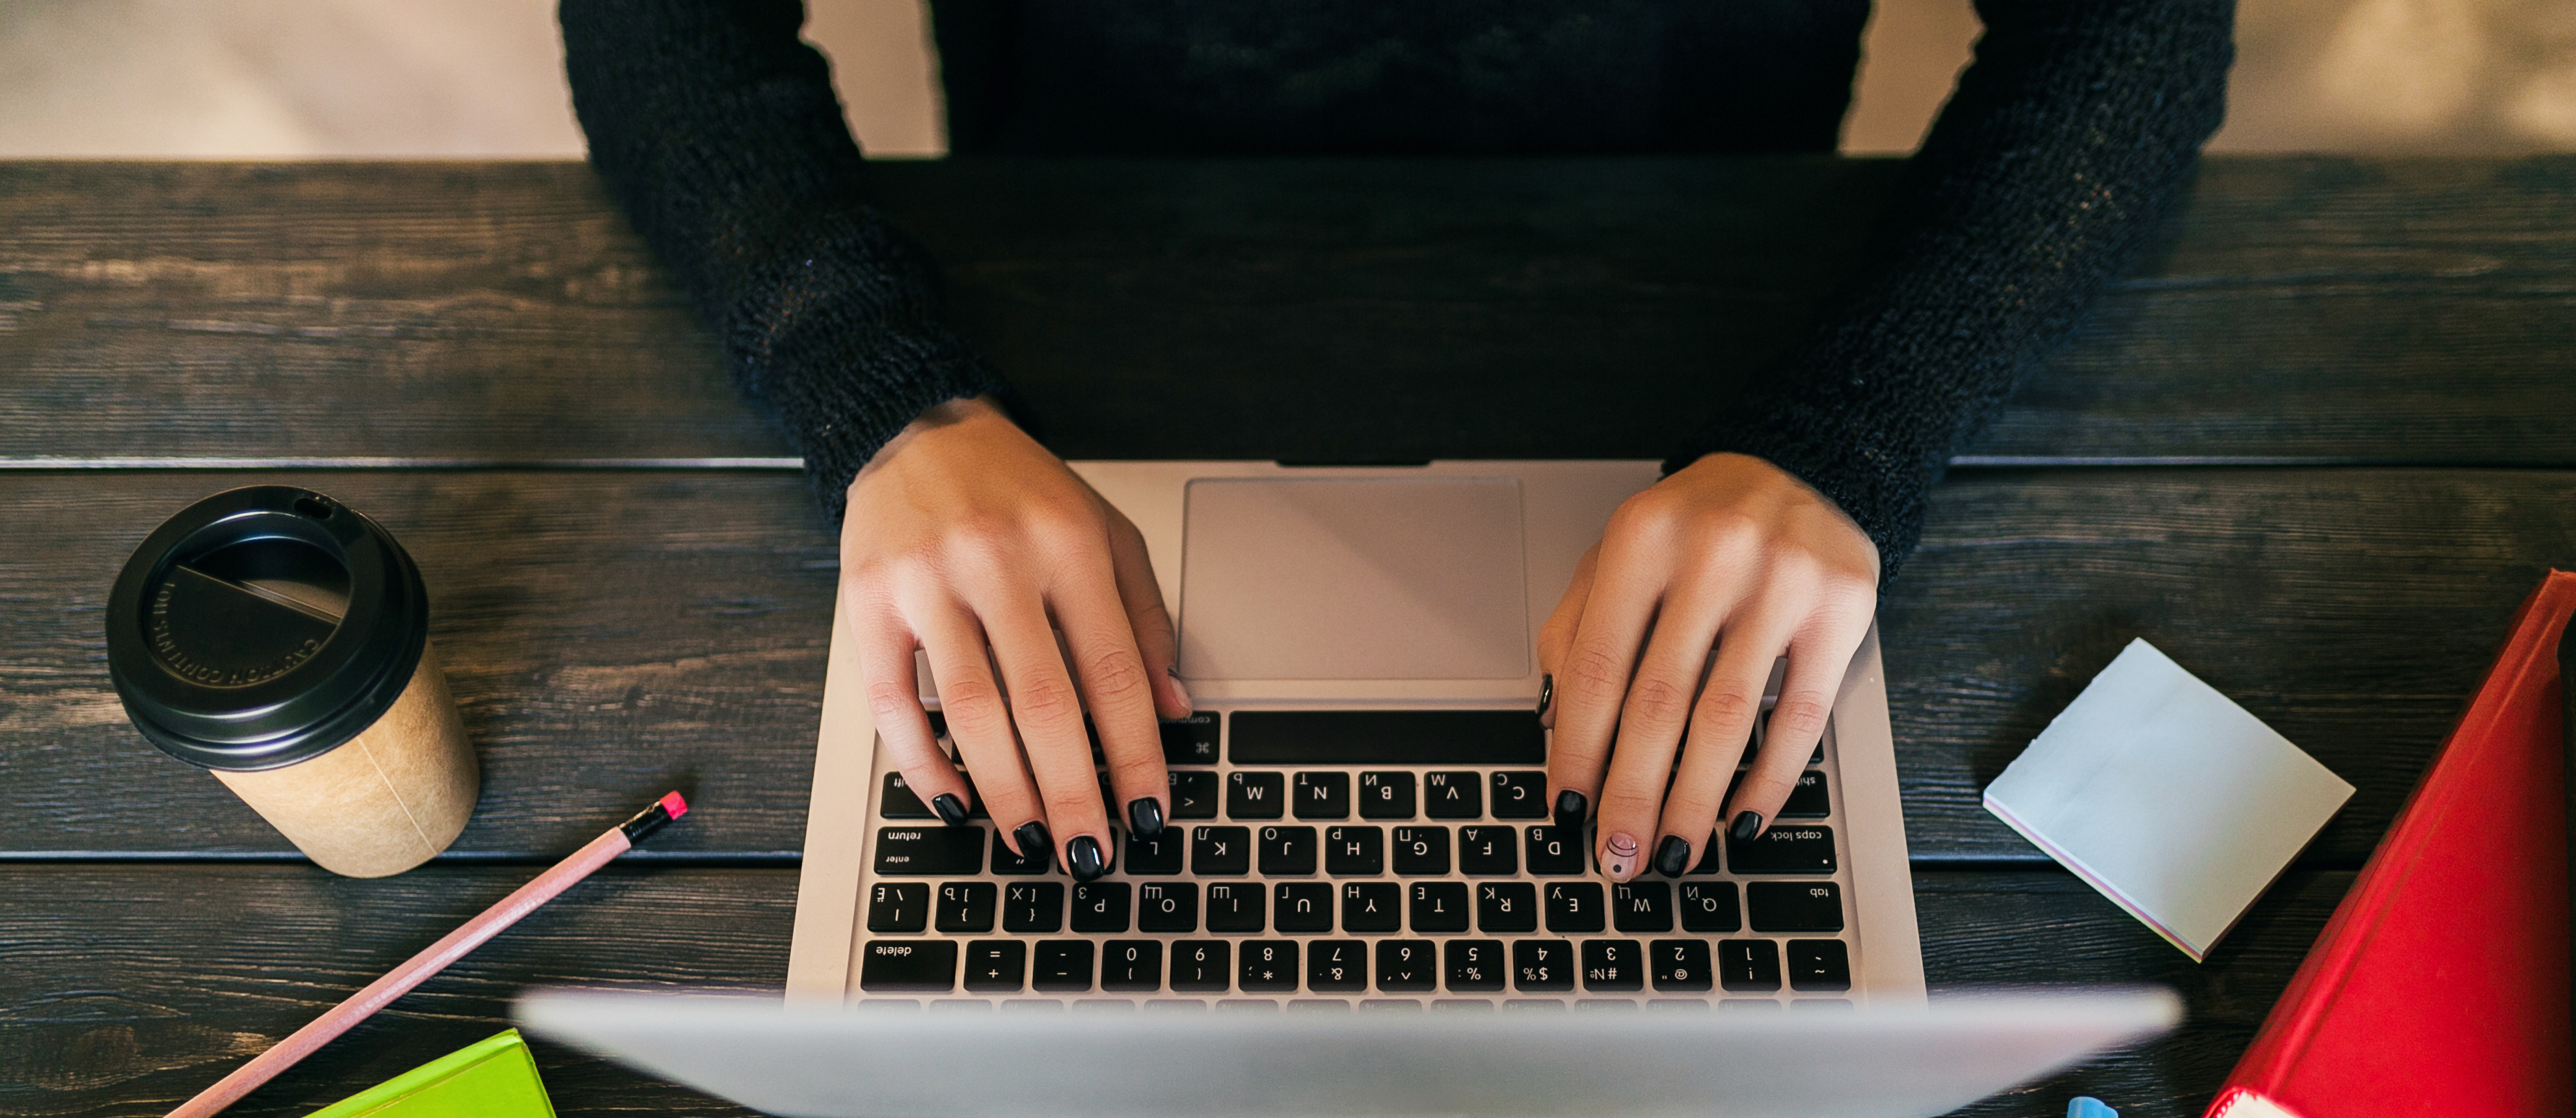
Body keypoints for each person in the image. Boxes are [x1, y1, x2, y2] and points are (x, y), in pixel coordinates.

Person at [560, 2, 2233, 884]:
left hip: (1726, 286)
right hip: (1061, 276)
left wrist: (1859, 427)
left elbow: (2136, 30)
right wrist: (873, 388)